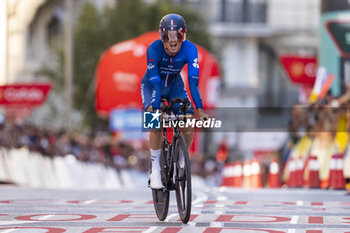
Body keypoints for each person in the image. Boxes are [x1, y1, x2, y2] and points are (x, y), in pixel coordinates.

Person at [140, 13, 208, 189]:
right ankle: (155, 169)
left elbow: (193, 84)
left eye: (177, 36)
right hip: (152, 86)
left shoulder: (190, 49)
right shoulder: (153, 49)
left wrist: (199, 109)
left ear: (183, 36)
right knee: (154, 122)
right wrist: (156, 110)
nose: (172, 42)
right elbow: (154, 84)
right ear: (161, 37)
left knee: (189, 121)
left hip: (175, 86)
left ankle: (181, 159)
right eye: (167, 37)